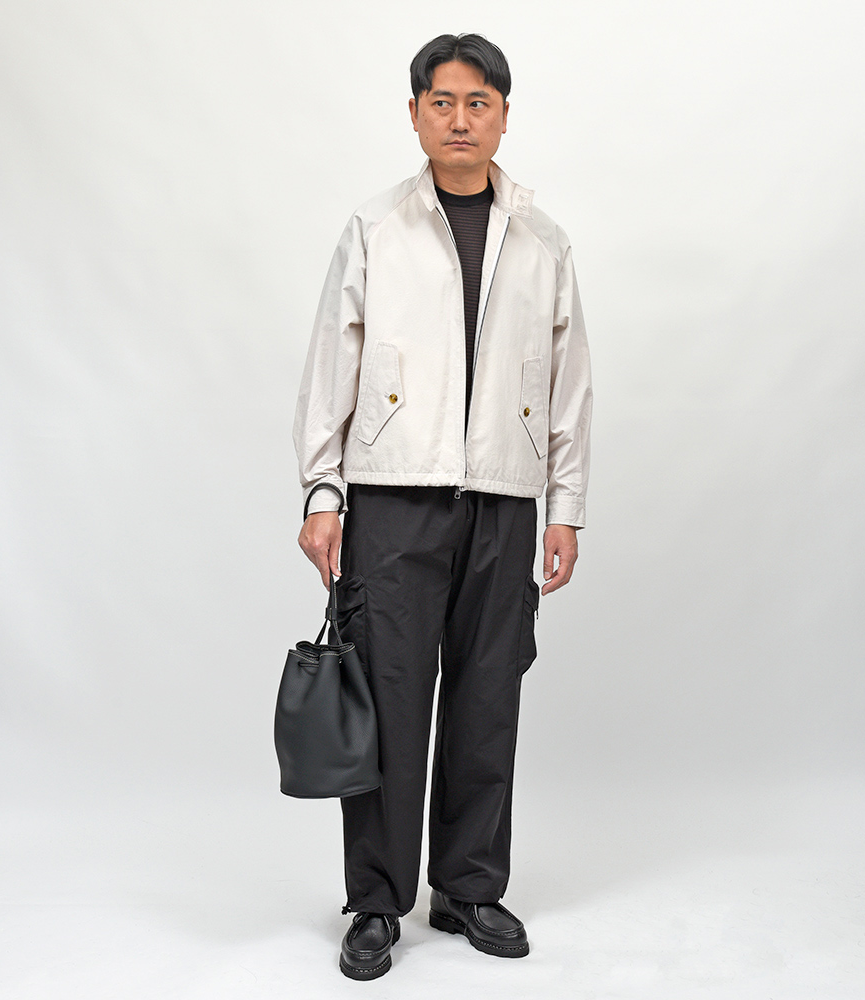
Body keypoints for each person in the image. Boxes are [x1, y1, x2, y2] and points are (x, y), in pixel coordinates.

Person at [292, 32, 592, 980]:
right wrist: (324, 490)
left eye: (478, 103)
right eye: (442, 102)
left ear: (503, 115)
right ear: (416, 113)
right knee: (389, 697)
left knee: (487, 695)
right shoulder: (375, 227)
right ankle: (376, 901)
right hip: (392, 499)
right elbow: (332, 364)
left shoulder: (543, 242)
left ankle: (467, 887)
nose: (460, 120)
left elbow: (570, 384)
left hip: (504, 497)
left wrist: (564, 507)